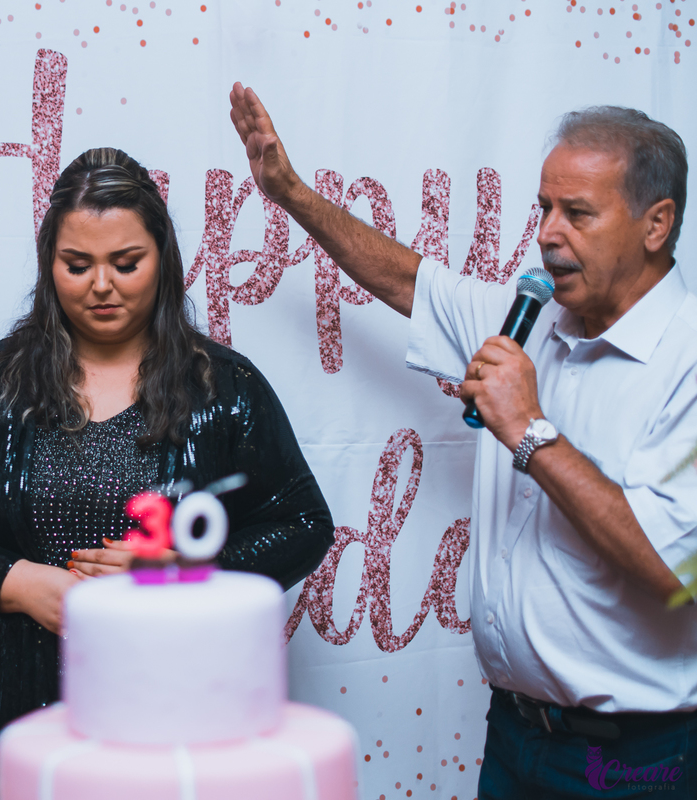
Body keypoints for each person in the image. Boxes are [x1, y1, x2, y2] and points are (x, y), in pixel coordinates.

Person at [229, 85, 697, 797]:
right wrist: (289, 192)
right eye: (544, 208)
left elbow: (675, 572)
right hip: (513, 739)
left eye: (578, 213)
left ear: (656, 224)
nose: (548, 232)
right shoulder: (532, 315)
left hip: (633, 762)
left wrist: (531, 433)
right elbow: (411, 282)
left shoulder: (687, 360)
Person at [0, 147, 334, 800]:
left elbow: (303, 523)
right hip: (14, 722)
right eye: (77, 265)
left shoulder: (226, 388)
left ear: (163, 261)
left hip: (175, 728)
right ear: (49, 265)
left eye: (126, 264)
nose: (102, 285)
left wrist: (190, 574)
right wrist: (16, 582)